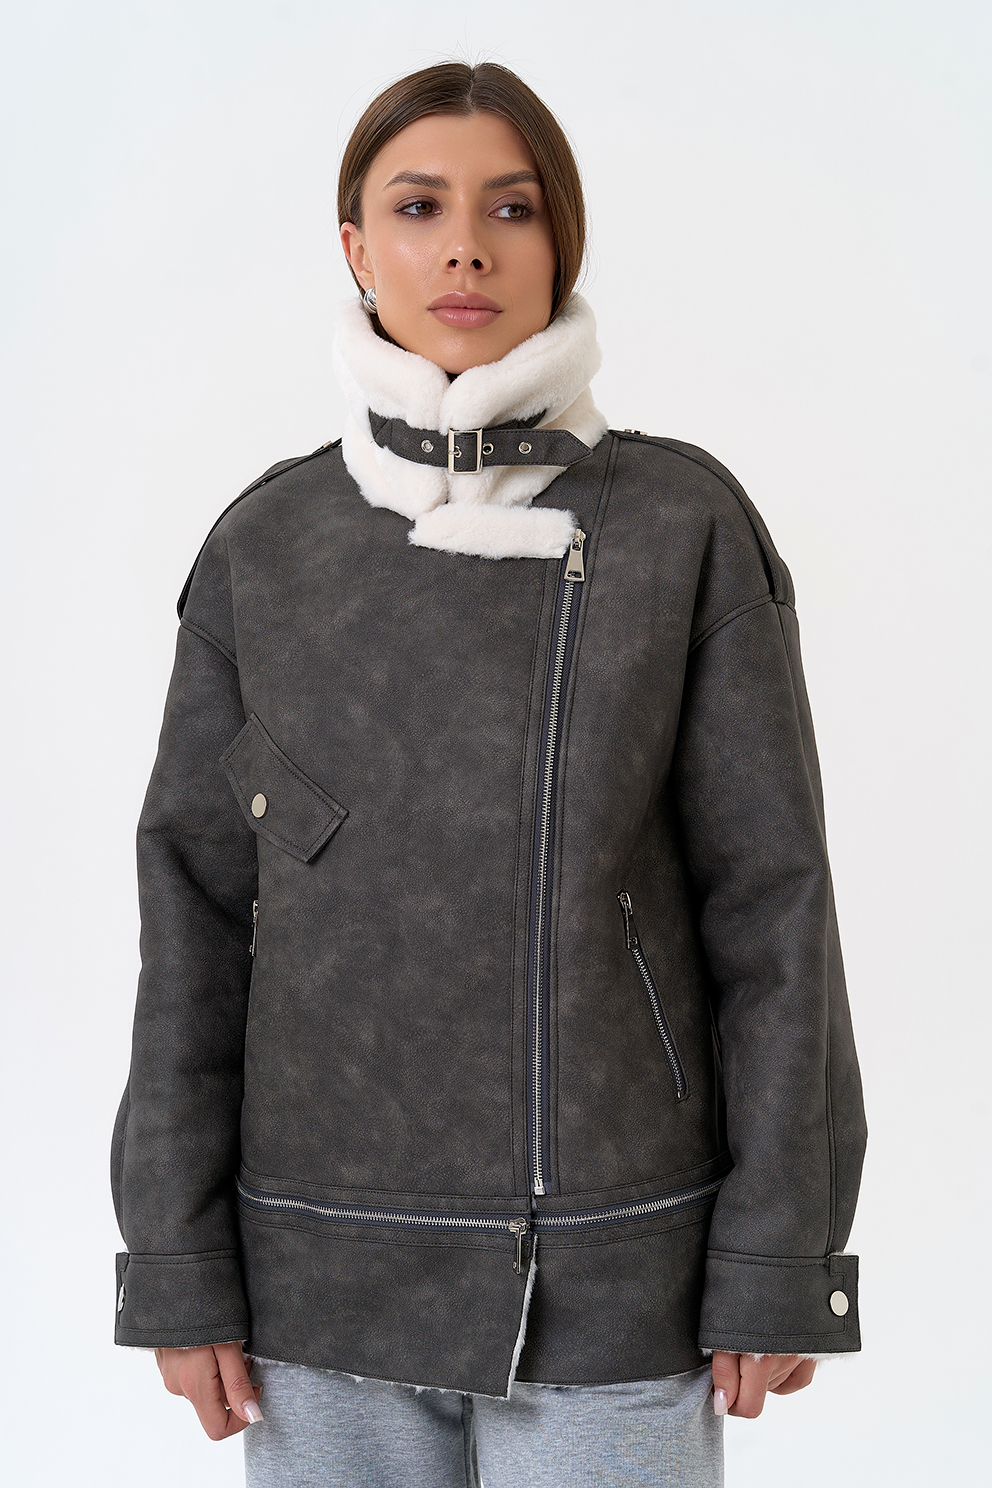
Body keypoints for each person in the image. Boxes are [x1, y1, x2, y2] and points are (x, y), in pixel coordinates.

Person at [111, 60, 867, 1487]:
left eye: (510, 209)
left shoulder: (682, 527)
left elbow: (775, 909)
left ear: (560, 243)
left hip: (617, 1277)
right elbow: (192, 924)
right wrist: (174, 1259)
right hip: (313, 1281)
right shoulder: (265, 548)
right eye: (420, 207)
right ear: (356, 247)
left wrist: (782, 1248)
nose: (465, 247)